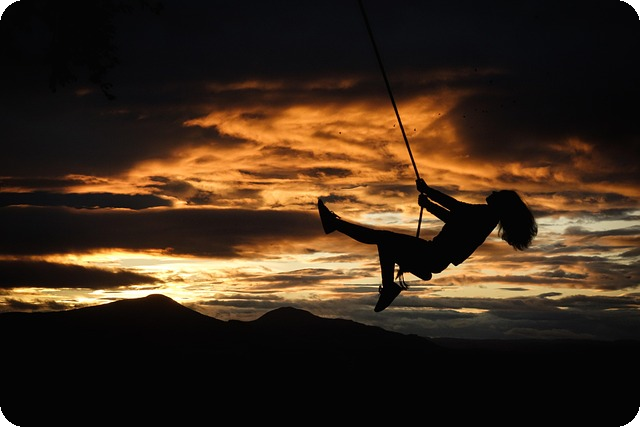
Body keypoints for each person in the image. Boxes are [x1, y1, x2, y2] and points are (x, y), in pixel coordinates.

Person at [318, 178, 537, 312]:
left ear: (502, 205)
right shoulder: (485, 218)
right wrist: (428, 203)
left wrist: (428, 191)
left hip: (433, 254)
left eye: (498, 195)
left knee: (383, 239)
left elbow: (455, 207)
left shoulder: (485, 214)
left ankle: (335, 225)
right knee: (385, 242)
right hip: (434, 256)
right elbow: (453, 218)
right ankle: (410, 272)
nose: (493, 193)